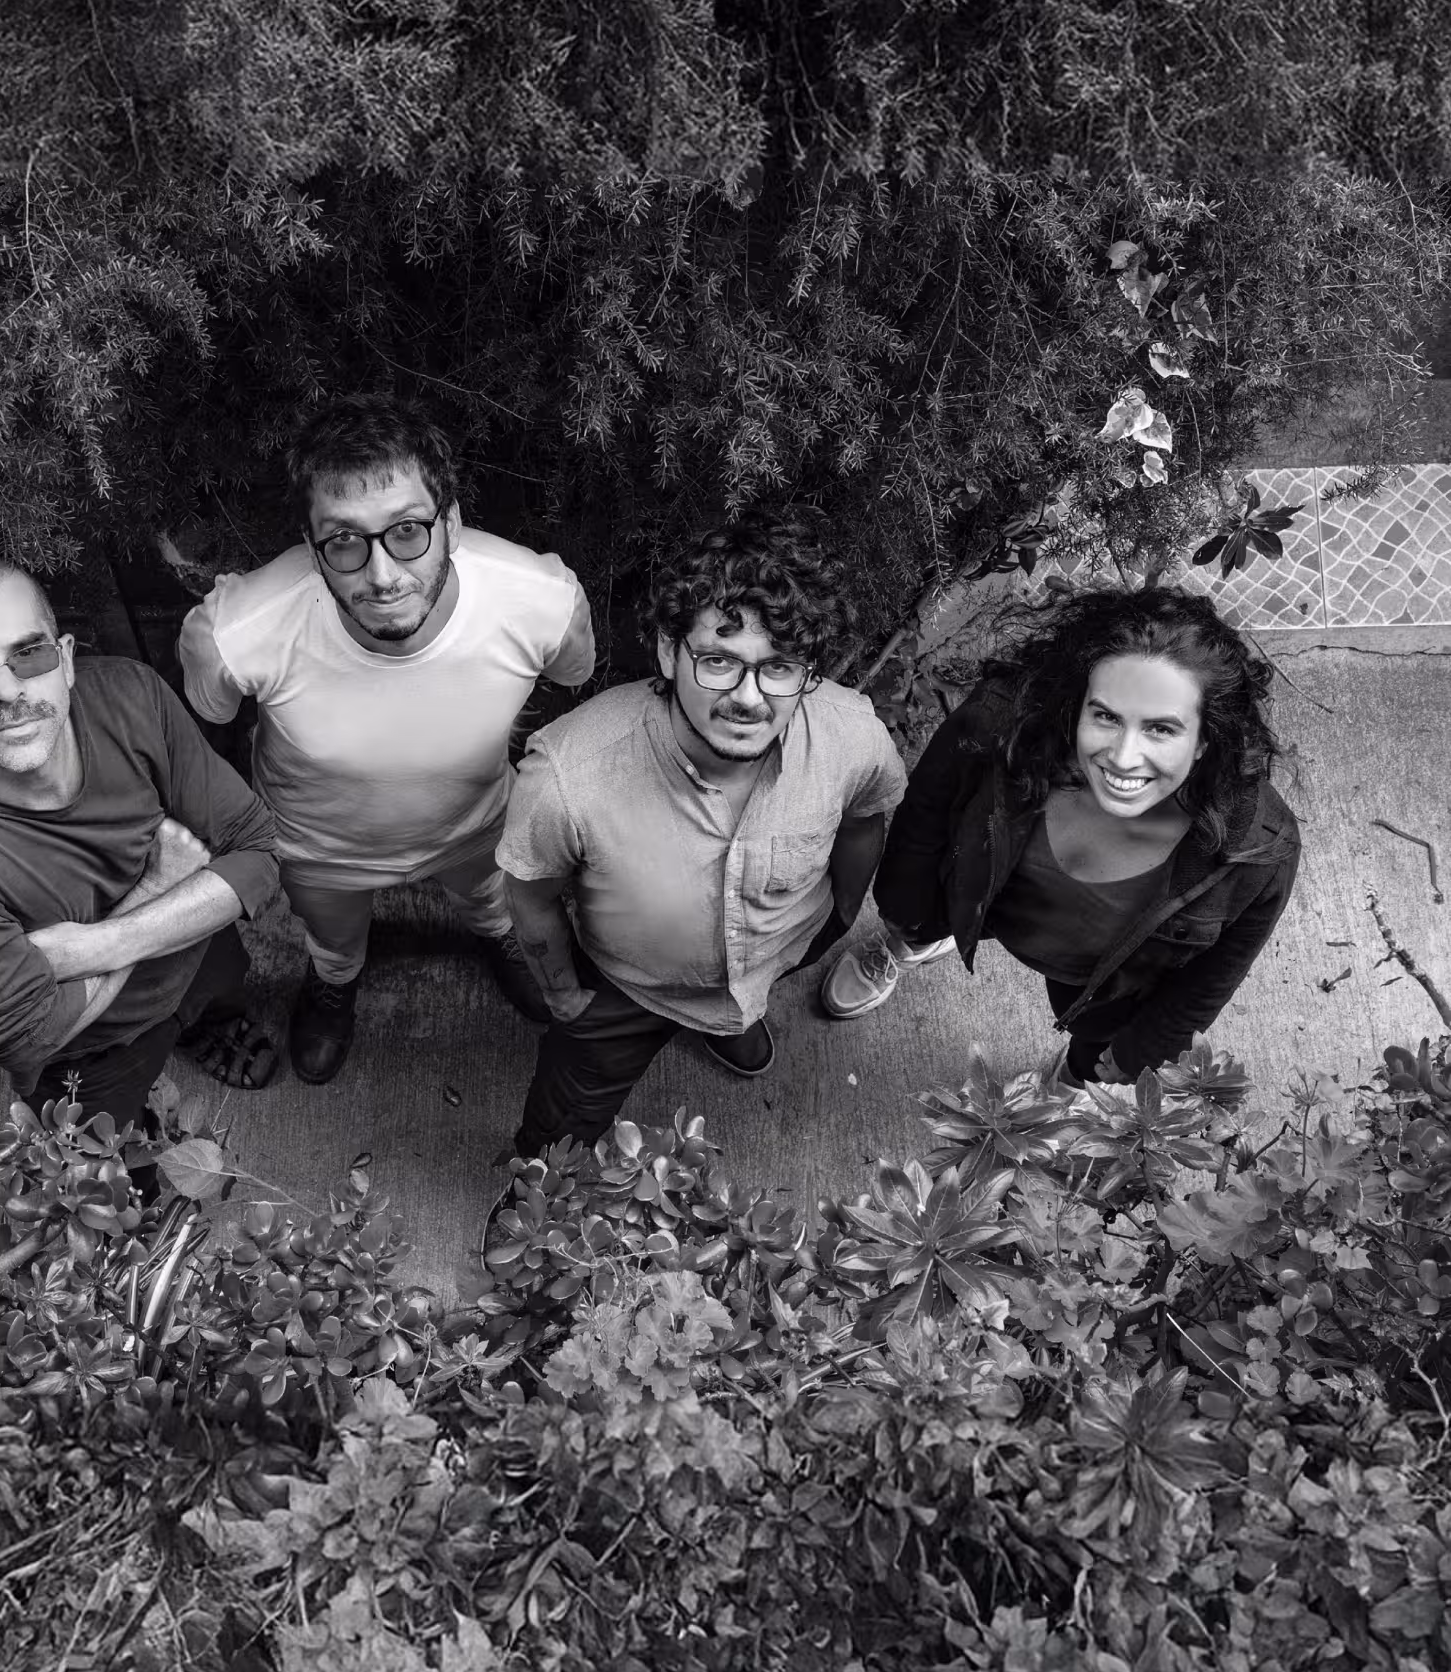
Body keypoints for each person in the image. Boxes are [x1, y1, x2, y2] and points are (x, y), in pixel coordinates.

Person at [177, 393, 596, 1085]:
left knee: (491, 902)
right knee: (332, 940)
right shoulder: (237, 634)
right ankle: (336, 980)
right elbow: (210, 722)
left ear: (453, 523)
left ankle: (499, 942)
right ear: (311, 548)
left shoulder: (541, 600)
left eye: (407, 531)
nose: (382, 575)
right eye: (344, 541)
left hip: (477, 826)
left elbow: (569, 678)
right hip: (318, 849)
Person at [496, 506, 908, 1157]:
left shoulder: (851, 734)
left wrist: (842, 917)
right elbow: (532, 897)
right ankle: (533, 1200)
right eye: (718, 660)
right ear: (668, 648)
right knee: (566, 1115)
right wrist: (564, 996)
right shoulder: (568, 779)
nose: (748, 698)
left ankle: (731, 1017)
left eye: (778, 667)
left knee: (752, 988)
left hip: (780, 948)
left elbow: (863, 817)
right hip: (627, 989)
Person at [0, 548, 282, 1131]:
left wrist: (95, 947)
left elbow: (259, 856)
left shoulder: (131, 698)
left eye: (28, 654)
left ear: (64, 660)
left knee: (218, 989)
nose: (7, 691)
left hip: (198, 953)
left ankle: (207, 1024)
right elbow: (27, 1032)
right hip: (92, 1047)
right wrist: (159, 886)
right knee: (107, 1180)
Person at [830, 584, 1301, 1087]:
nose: (1122, 758)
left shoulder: (1257, 847)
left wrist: (1142, 1052)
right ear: (1076, 705)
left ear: (1206, 737)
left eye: (1161, 730)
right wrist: (904, 907)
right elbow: (928, 808)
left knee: (1094, 1057)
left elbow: (1214, 975)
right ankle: (912, 945)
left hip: (1103, 983)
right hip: (986, 896)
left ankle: (1071, 1080)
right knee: (927, 918)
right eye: (1106, 717)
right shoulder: (1001, 724)